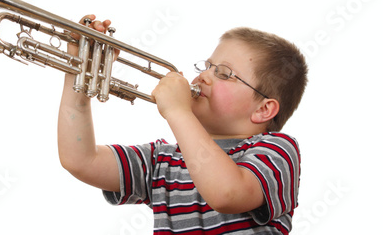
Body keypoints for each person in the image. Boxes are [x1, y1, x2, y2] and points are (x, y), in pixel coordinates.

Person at [58, 14, 308, 234]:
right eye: (208, 66)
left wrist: (179, 112)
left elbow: (227, 193)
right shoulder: (162, 160)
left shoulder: (277, 151)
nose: (203, 77)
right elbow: (81, 160)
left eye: (223, 73)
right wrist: (80, 69)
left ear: (263, 109)